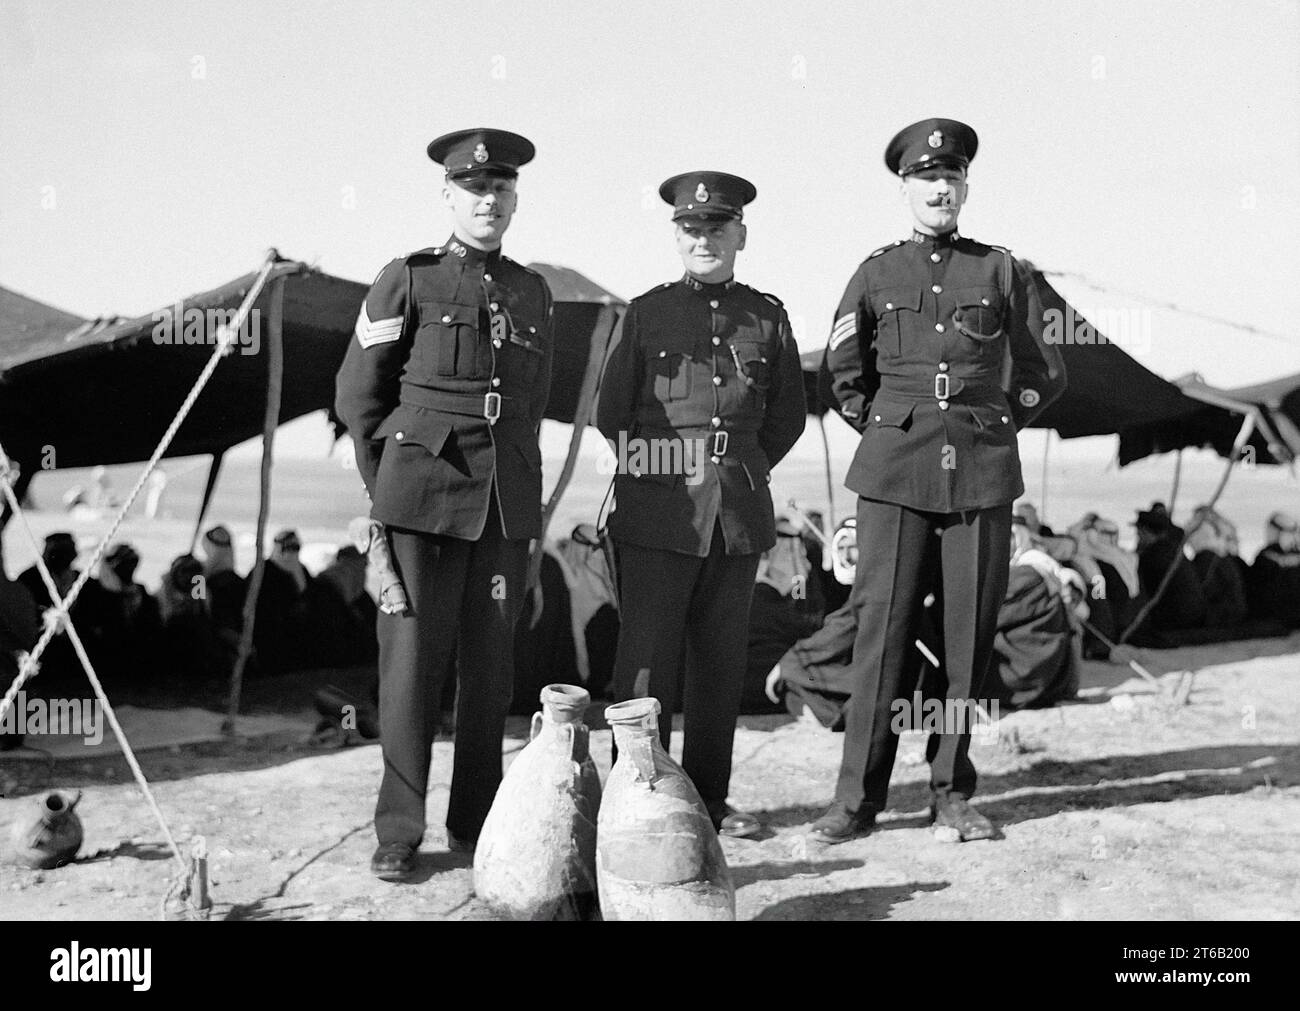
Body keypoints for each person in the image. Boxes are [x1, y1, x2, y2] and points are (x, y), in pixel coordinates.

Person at [815, 118, 1066, 843]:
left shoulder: (1001, 271)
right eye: (927, 178)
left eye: (951, 178)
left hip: (981, 477)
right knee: (881, 635)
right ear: (906, 188)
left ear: (965, 187)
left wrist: (995, 422)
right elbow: (842, 370)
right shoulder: (876, 273)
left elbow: (1047, 369)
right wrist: (886, 427)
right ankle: (856, 798)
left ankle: (952, 790)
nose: (940, 189)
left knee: (967, 641)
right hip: (894, 475)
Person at [335, 128, 553, 881]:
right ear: (448, 195)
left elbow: (530, 403)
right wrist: (386, 488)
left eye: (499, 189)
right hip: (420, 500)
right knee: (410, 673)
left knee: (491, 673)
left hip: (500, 505)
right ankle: (399, 828)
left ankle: (477, 822)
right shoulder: (410, 277)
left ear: (516, 199)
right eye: (473, 188)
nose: (487, 201)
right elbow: (359, 395)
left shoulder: (532, 291)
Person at [596, 170, 806, 837]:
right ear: (676, 235)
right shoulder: (646, 312)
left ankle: (711, 799)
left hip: (737, 516)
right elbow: (612, 414)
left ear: (740, 233)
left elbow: (787, 418)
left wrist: (738, 470)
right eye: (692, 228)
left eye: (718, 227)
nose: (704, 238)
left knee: (719, 667)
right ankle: (632, 796)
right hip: (658, 515)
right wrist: (666, 470)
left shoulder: (767, 317)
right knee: (645, 663)